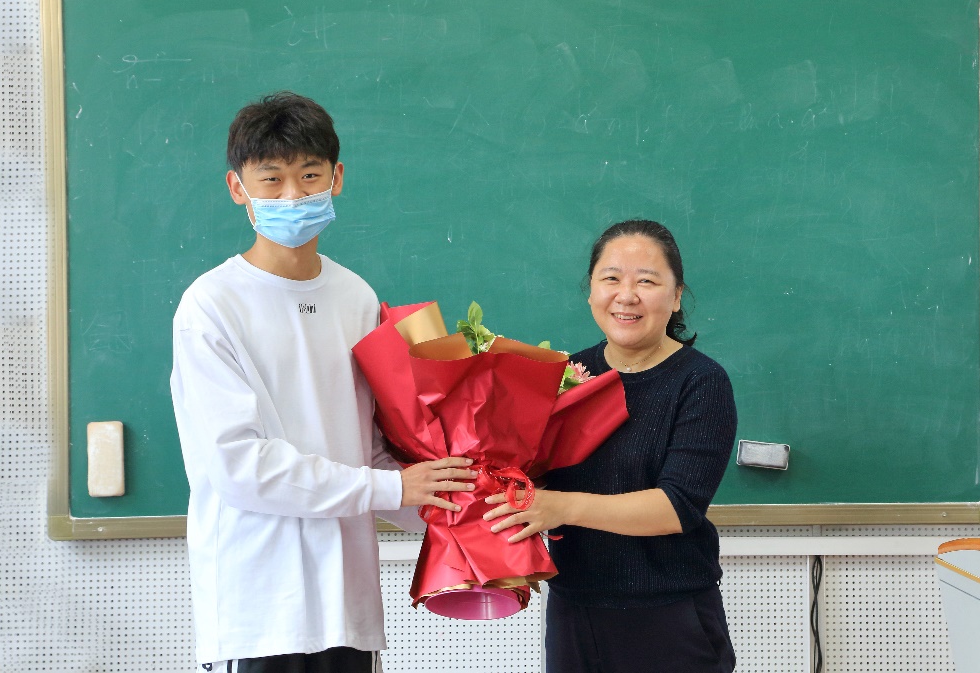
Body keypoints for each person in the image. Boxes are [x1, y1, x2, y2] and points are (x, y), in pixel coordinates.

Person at [170, 92, 475, 673]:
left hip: (347, 607)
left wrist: (466, 508)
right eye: (271, 179)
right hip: (260, 610)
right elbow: (239, 467)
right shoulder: (211, 305)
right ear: (237, 187)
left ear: (336, 178)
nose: (292, 195)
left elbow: (373, 448)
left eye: (309, 176)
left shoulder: (355, 297)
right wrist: (392, 489)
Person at [484, 219, 738, 673]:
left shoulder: (701, 382)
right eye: (611, 278)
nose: (626, 295)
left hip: (670, 619)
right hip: (575, 612)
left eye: (647, 281)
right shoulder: (567, 374)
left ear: (676, 296)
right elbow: (536, 475)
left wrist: (559, 506)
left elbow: (676, 508)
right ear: (591, 291)